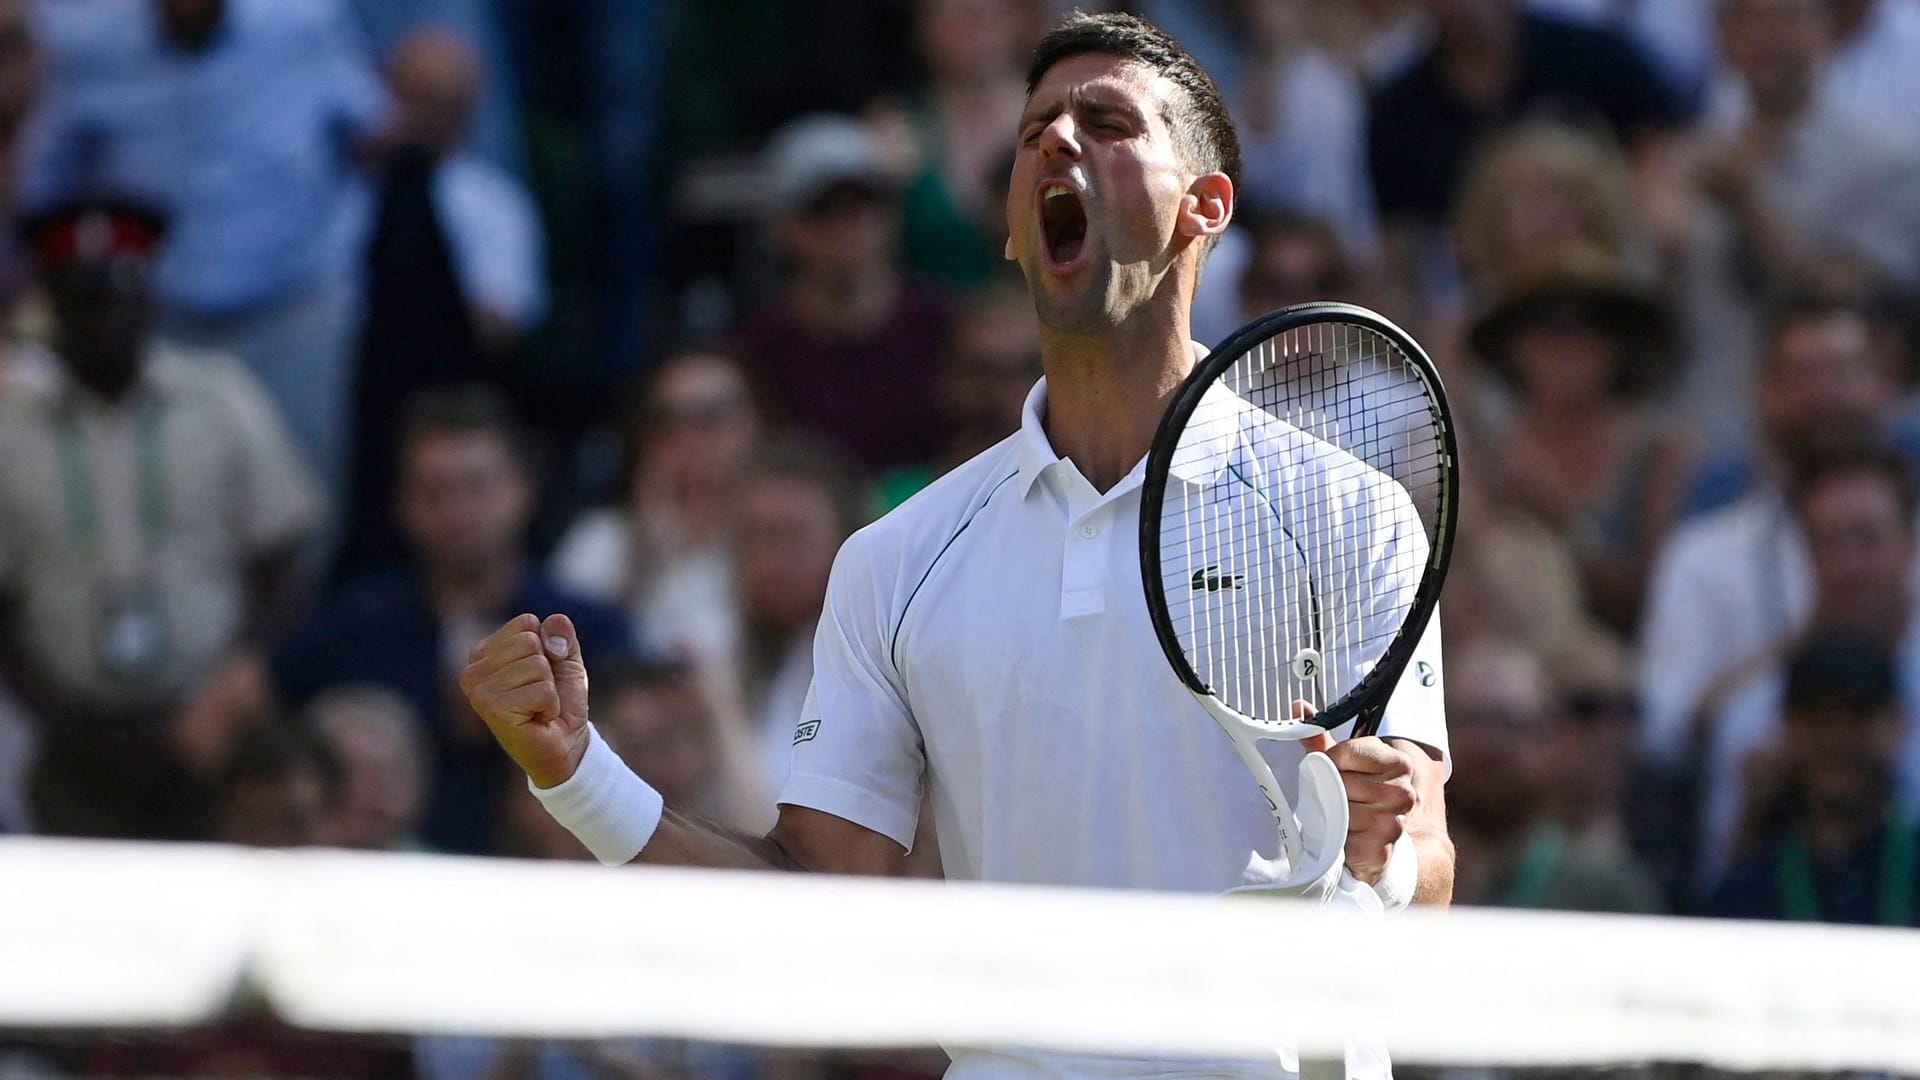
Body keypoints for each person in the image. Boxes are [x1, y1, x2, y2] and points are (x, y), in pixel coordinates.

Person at [463, 14, 1451, 1078]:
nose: (1058, 144)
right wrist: (576, 777)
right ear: (1017, 234)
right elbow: (822, 901)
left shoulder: (1352, 515)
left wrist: (1382, 858)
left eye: (1108, 121)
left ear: (1205, 207)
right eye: (1035, 132)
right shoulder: (898, 559)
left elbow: (1427, 856)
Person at [0, 198, 321, 838]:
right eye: (79, 301)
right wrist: (59, 718)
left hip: (210, 730)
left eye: (114, 297)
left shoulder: (220, 397)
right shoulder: (11, 428)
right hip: (73, 740)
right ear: (51, 310)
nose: (99, 322)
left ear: (149, 300)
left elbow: (281, 554)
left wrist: (234, 680)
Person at [20, 0, 392, 517]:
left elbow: (372, 133)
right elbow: (47, 176)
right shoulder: (84, 38)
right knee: (166, 499)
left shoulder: (304, 20)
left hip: (292, 301)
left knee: (306, 502)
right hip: (154, 317)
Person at [272, 385, 634, 855]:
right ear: (403, 504)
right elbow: (244, 713)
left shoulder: (588, 630)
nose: (458, 512)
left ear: (521, 490)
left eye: (476, 486)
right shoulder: (355, 621)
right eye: (435, 491)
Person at [1637, 293, 1918, 779]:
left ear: (1885, 384)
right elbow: (1663, 734)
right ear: (1760, 394)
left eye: (1840, 373)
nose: (1821, 398)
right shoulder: (1701, 556)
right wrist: (1809, 640)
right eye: (1799, 377)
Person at [1690, 445, 1920, 901]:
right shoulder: (1754, 712)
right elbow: (1721, 887)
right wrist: (1761, 807)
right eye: (1828, 542)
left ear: (1911, 541)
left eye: (1867, 538)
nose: (1849, 566)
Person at [734, 113, 953, 474]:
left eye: (863, 205)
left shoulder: (946, 329)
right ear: (780, 228)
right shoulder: (757, 354)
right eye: (821, 210)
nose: (845, 228)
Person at [549, 350, 761, 669]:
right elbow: (561, 661)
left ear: (754, 424)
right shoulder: (600, 539)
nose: (689, 438)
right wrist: (642, 561)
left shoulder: (779, 541)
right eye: (667, 421)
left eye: (712, 416)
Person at [1709, 634, 1920, 926]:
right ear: (1785, 726)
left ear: (1898, 724)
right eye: (1816, 719)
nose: (1836, 740)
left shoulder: (1910, 864)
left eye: (1858, 717)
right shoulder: (1749, 892)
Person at [308, 683, 429, 851]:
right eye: (344, 772)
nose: (359, 794)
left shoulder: (442, 873)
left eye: (379, 776)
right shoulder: (274, 865)